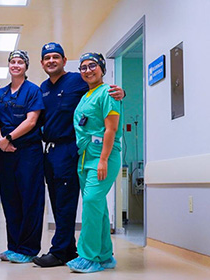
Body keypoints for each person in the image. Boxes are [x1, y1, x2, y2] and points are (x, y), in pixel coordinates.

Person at [33, 42, 124, 268]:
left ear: (64, 61)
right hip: (55, 150)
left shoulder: (78, 81)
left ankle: (68, 251)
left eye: (56, 57)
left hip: (72, 149)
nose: (51, 61)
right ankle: (99, 253)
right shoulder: (44, 88)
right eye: (47, 58)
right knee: (64, 201)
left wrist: (122, 92)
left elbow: (110, 100)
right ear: (42, 63)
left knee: (78, 201)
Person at [66, 52, 122, 273]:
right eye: (83, 67)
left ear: (102, 68)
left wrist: (103, 160)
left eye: (92, 66)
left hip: (103, 155)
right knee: (97, 204)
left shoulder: (108, 93)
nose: (88, 70)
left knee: (90, 201)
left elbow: (111, 128)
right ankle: (105, 256)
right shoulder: (86, 96)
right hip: (85, 156)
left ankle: (88, 256)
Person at [0, 50, 45, 263]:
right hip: (5, 152)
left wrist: (9, 138)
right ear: (9, 65)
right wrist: (1, 141)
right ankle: (13, 246)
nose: (16, 65)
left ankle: (28, 248)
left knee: (30, 199)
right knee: (10, 199)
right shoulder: (2, 93)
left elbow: (32, 121)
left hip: (28, 152)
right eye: (12, 61)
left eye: (20, 62)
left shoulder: (33, 90)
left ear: (26, 66)